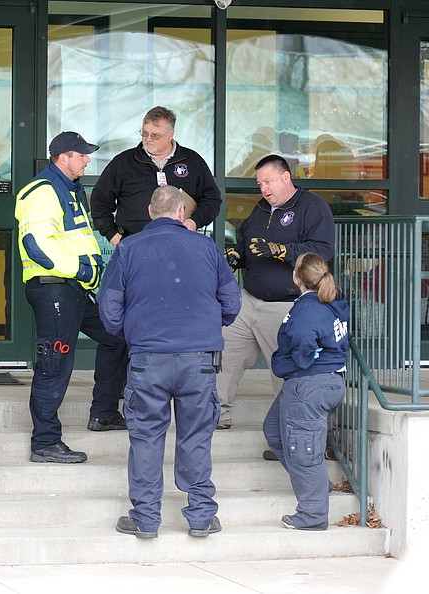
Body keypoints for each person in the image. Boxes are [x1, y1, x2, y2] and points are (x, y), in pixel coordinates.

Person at [98, 185, 241, 539]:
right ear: (182, 214)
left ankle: (146, 519)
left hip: (148, 359)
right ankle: (201, 516)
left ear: (150, 212)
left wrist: (132, 334)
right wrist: (204, 327)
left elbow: (109, 307)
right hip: (199, 360)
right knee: (196, 437)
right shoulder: (206, 247)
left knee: (146, 438)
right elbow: (232, 304)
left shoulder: (129, 248)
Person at [15, 131, 128, 464]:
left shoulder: (68, 189)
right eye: (82, 155)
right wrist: (80, 269)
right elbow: (35, 243)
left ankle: (104, 412)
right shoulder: (43, 190)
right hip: (54, 287)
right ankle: (45, 441)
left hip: (73, 290)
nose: (87, 159)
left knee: (116, 336)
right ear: (63, 157)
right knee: (55, 363)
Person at [217, 154, 335, 434]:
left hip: (287, 305)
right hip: (248, 302)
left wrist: (283, 252)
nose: (264, 189)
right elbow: (246, 242)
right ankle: (216, 414)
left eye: (268, 181)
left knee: (285, 370)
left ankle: (289, 429)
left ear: (286, 177)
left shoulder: (312, 207)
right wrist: (237, 255)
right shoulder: (260, 209)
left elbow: (322, 251)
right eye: (260, 184)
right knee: (224, 355)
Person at [262, 252, 349, 531]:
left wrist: (289, 364)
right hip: (323, 382)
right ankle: (317, 484)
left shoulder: (308, 309)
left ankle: (312, 515)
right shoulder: (332, 300)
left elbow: (302, 346)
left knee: (303, 449)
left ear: (297, 277)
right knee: (275, 431)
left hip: (309, 384)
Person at [90, 106, 222, 247]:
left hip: (181, 245)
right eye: (145, 133)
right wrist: (113, 236)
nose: (148, 139)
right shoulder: (124, 162)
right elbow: (99, 201)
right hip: (135, 245)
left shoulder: (192, 161)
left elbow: (212, 199)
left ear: (171, 134)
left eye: (155, 135)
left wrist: (196, 221)